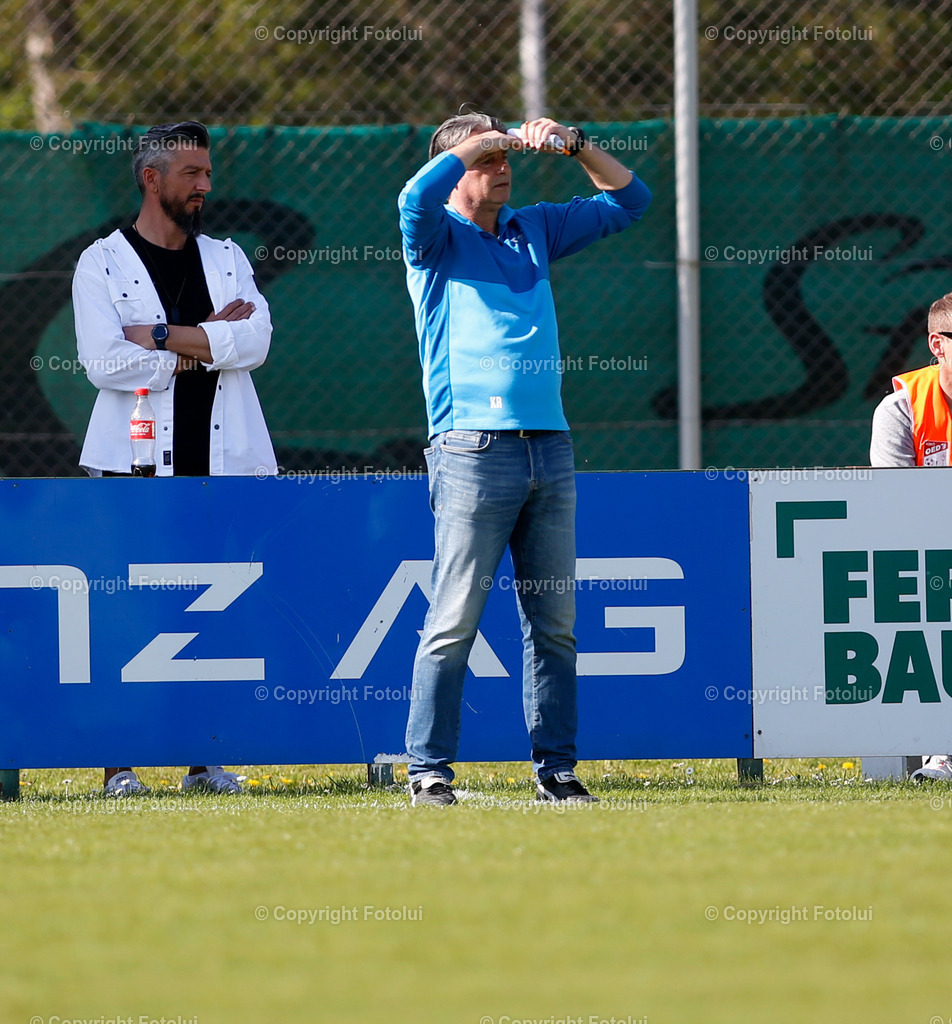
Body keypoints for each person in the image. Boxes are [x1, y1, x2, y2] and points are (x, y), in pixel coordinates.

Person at [398, 111, 651, 806]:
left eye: (507, 157)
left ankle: (557, 771)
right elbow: (412, 197)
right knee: (454, 619)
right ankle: (428, 771)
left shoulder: (533, 226)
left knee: (555, 624)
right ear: (458, 170)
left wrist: (574, 145)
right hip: (471, 450)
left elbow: (632, 200)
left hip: (551, 444)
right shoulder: (435, 237)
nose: (503, 168)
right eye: (487, 161)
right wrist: (484, 141)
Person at [72, 120, 276, 796]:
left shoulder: (226, 256)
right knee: (124, 615)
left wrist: (163, 338)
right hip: (130, 467)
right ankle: (117, 764)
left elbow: (256, 342)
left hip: (224, 466)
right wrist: (207, 342)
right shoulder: (101, 261)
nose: (206, 186)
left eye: (209, 173)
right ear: (151, 177)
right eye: (192, 173)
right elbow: (105, 361)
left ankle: (203, 760)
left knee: (208, 612)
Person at [870, 290, 952, 781]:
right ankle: (943, 753)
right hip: (930, 559)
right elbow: (894, 510)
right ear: (937, 345)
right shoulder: (901, 410)